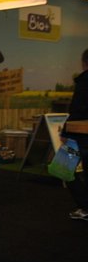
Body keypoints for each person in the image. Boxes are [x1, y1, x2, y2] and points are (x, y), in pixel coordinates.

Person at [61, 48, 88, 221]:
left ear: (84, 63)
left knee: (64, 168)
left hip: (78, 134)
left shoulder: (83, 82)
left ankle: (85, 207)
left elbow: (77, 109)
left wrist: (65, 131)